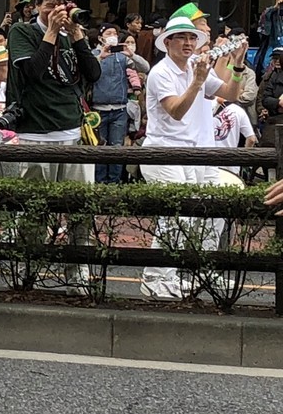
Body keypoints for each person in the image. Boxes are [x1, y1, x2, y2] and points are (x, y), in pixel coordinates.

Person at [139, 16, 246, 300]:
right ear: (168, 43)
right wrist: (197, 82)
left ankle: (200, 270)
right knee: (176, 218)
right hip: (163, 151)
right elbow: (176, 110)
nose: (188, 43)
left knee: (217, 207)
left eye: (192, 38)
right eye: (182, 38)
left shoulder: (196, 67)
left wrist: (236, 64)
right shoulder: (160, 72)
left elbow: (229, 94)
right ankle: (156, 277)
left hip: (198, 152)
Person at [6, 0, 101, 293]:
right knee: (34, 212)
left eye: (63, 5)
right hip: (36, 136)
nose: (57, 11)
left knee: (79, 211)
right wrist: (49, 32)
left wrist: (76, 37)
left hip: (73, 136)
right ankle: (28, 271)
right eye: (50, 5)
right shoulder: (22, 31)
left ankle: (79, 273)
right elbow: (31, 71)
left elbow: (94, 75)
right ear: (35, 7)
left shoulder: (70, 35)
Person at [91, 24, 150, 184]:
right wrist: (100, 57)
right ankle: (99, 183)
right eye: (108, 33)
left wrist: (132, 54)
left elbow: (145, 67)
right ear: (100, 38)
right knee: (99, 149)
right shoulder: (94, 54)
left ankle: (114, 184)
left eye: (115, 33)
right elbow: (87, 72)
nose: (112, 36)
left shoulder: (122, 57)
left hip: (119, 109)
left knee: (117, 148)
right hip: (98, 110)